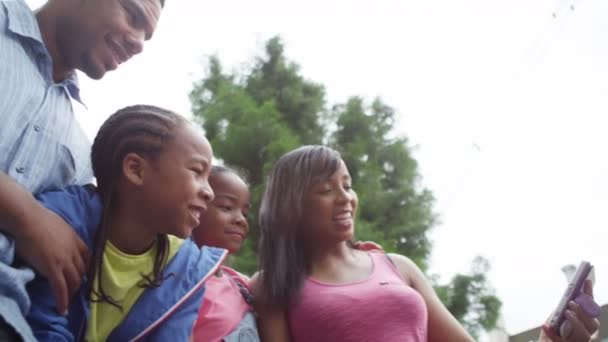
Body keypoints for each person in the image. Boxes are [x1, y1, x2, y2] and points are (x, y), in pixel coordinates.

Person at [251, 145, 600, 342]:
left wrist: (554, 340)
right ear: (292, 205)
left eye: (347, 184)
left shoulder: (398, 266)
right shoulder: (271, 286)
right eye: (326, 190)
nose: (345, 198)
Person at [0, 0, 164, 339]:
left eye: (146, 36)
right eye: (132, 15)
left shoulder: (80, 151)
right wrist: (25, 215)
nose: (137, 43)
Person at [24, 105, 227, 341]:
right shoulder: (60, 224)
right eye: (196, 172)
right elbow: (42, 326)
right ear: (135, 169)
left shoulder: (188, 268)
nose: (210, 193)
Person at [191, 165, 260, 342]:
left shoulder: (242, 284)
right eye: (227, 207)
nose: (241, 220)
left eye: (245, 213)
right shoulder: (181, 285)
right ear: (195, 207)